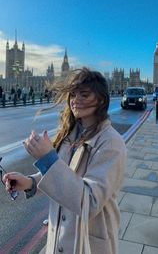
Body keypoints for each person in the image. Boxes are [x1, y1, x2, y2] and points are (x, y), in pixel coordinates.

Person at [3, 67, 126, 254]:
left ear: (101, 99)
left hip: (89, 244)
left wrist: (48, 158)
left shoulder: (111, 143)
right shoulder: (70, 136)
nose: (75, 100)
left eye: (84, 95)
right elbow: (61, 178)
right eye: (73, 95)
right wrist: (29, 182)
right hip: (59, 240)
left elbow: (90, 202)